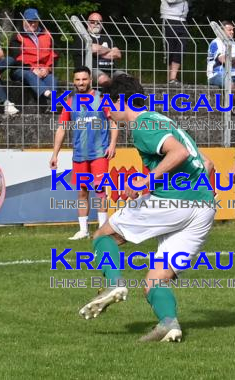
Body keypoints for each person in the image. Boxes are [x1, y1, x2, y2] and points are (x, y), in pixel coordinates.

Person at [78, 75, 216, 342]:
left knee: (103, 236)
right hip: (204, 206)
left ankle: (114, 283)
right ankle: (169, 324)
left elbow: (179, 154)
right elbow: (207, 164)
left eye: (109, 103)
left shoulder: (142, 124)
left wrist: (148, 180)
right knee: (155, 279)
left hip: (177, 201)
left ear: (121, 100)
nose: (108, 110)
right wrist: (150, 187)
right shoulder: (164, 120)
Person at [49, 66, 117, 240]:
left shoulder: (102, 99)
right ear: (74, 81)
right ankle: (83, 230)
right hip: (79, 155)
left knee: (100, 190)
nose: (81, 82)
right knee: (81, 192)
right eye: (78, 80)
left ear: (90, 80)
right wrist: (55, 154)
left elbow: (114, 123)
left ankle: (103, 229)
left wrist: (112, 144)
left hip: (100, 153)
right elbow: (62, 128)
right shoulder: (70, 102)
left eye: (84, 79)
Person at [9, 8, 58, 102]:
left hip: (43, 68)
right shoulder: (17, 36)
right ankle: (49, 95)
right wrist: (32, 69)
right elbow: (16, 59)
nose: (33, 24)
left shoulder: (47, 35)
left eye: (35, 21)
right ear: (24, 21)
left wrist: (48, 68)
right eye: (29, 21)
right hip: (22, 69)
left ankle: (52, 105)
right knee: (29, 75)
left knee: (52, 78)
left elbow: (54, 54)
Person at [71, 12, 127, 88]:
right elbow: (93, 49)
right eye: (92, 22)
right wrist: (109, 50)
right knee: (103, 79)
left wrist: (100, 51)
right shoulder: (83, 38)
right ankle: (112, 88)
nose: (95, 24)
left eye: (99, 22)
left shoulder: (107, 38)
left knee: (129, 80)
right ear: (87, 23)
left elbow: (118, 54)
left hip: (112, 71)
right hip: (91, 70)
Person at [161, 0, 189, 86]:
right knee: (170, 49)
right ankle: (172, 78)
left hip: (182, 19)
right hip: (169, 18)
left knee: (181, 47)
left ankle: (172, 78)